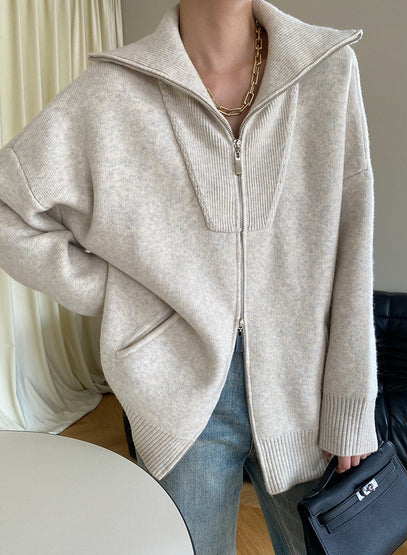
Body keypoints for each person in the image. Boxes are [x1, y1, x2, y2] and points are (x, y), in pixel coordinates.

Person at [0, 0, 379, 553]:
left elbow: (353, 244)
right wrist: (117, 293)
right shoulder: (113, 92)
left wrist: (352, 402)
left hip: (307, 392)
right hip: (177, 398)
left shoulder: (327, 69)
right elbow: (9, 209)